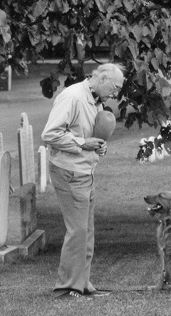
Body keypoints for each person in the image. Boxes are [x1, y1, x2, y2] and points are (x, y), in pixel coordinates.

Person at [41, 63, 124, 299]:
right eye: (115, 88)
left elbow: (86, 135)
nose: (116, 94)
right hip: (69, 171)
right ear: (102, 78)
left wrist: (97, 144)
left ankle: (83, 283)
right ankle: (67, 288)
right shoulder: (72, 96)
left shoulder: (94, 99)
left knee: (86, 232)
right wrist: (82, 143)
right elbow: (50, 134)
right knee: (77, 231)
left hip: (85, 170)